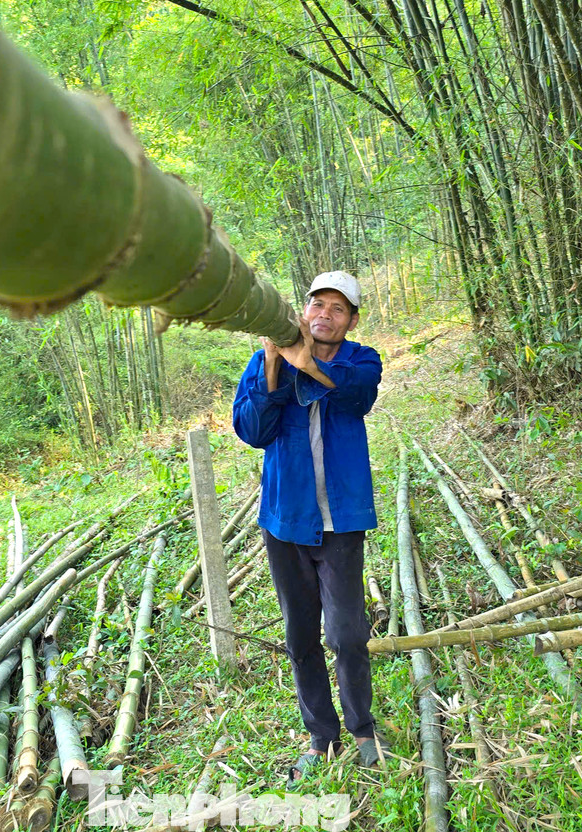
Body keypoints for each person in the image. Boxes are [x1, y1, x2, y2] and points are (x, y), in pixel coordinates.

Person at [231, 270, 386, 786]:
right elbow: (252, 431)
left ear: (352, 320)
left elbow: (356, 396)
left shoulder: (361, 360)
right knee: (301, 636)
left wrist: (306, 363)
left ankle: (362, 730)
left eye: (338, 309)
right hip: (285, 522)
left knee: (346, 633)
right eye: (317, 305)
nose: (325, 315)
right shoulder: (263, 361)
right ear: (303, 310)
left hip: (341, 520)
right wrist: (276, 370)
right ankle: (321, 737)